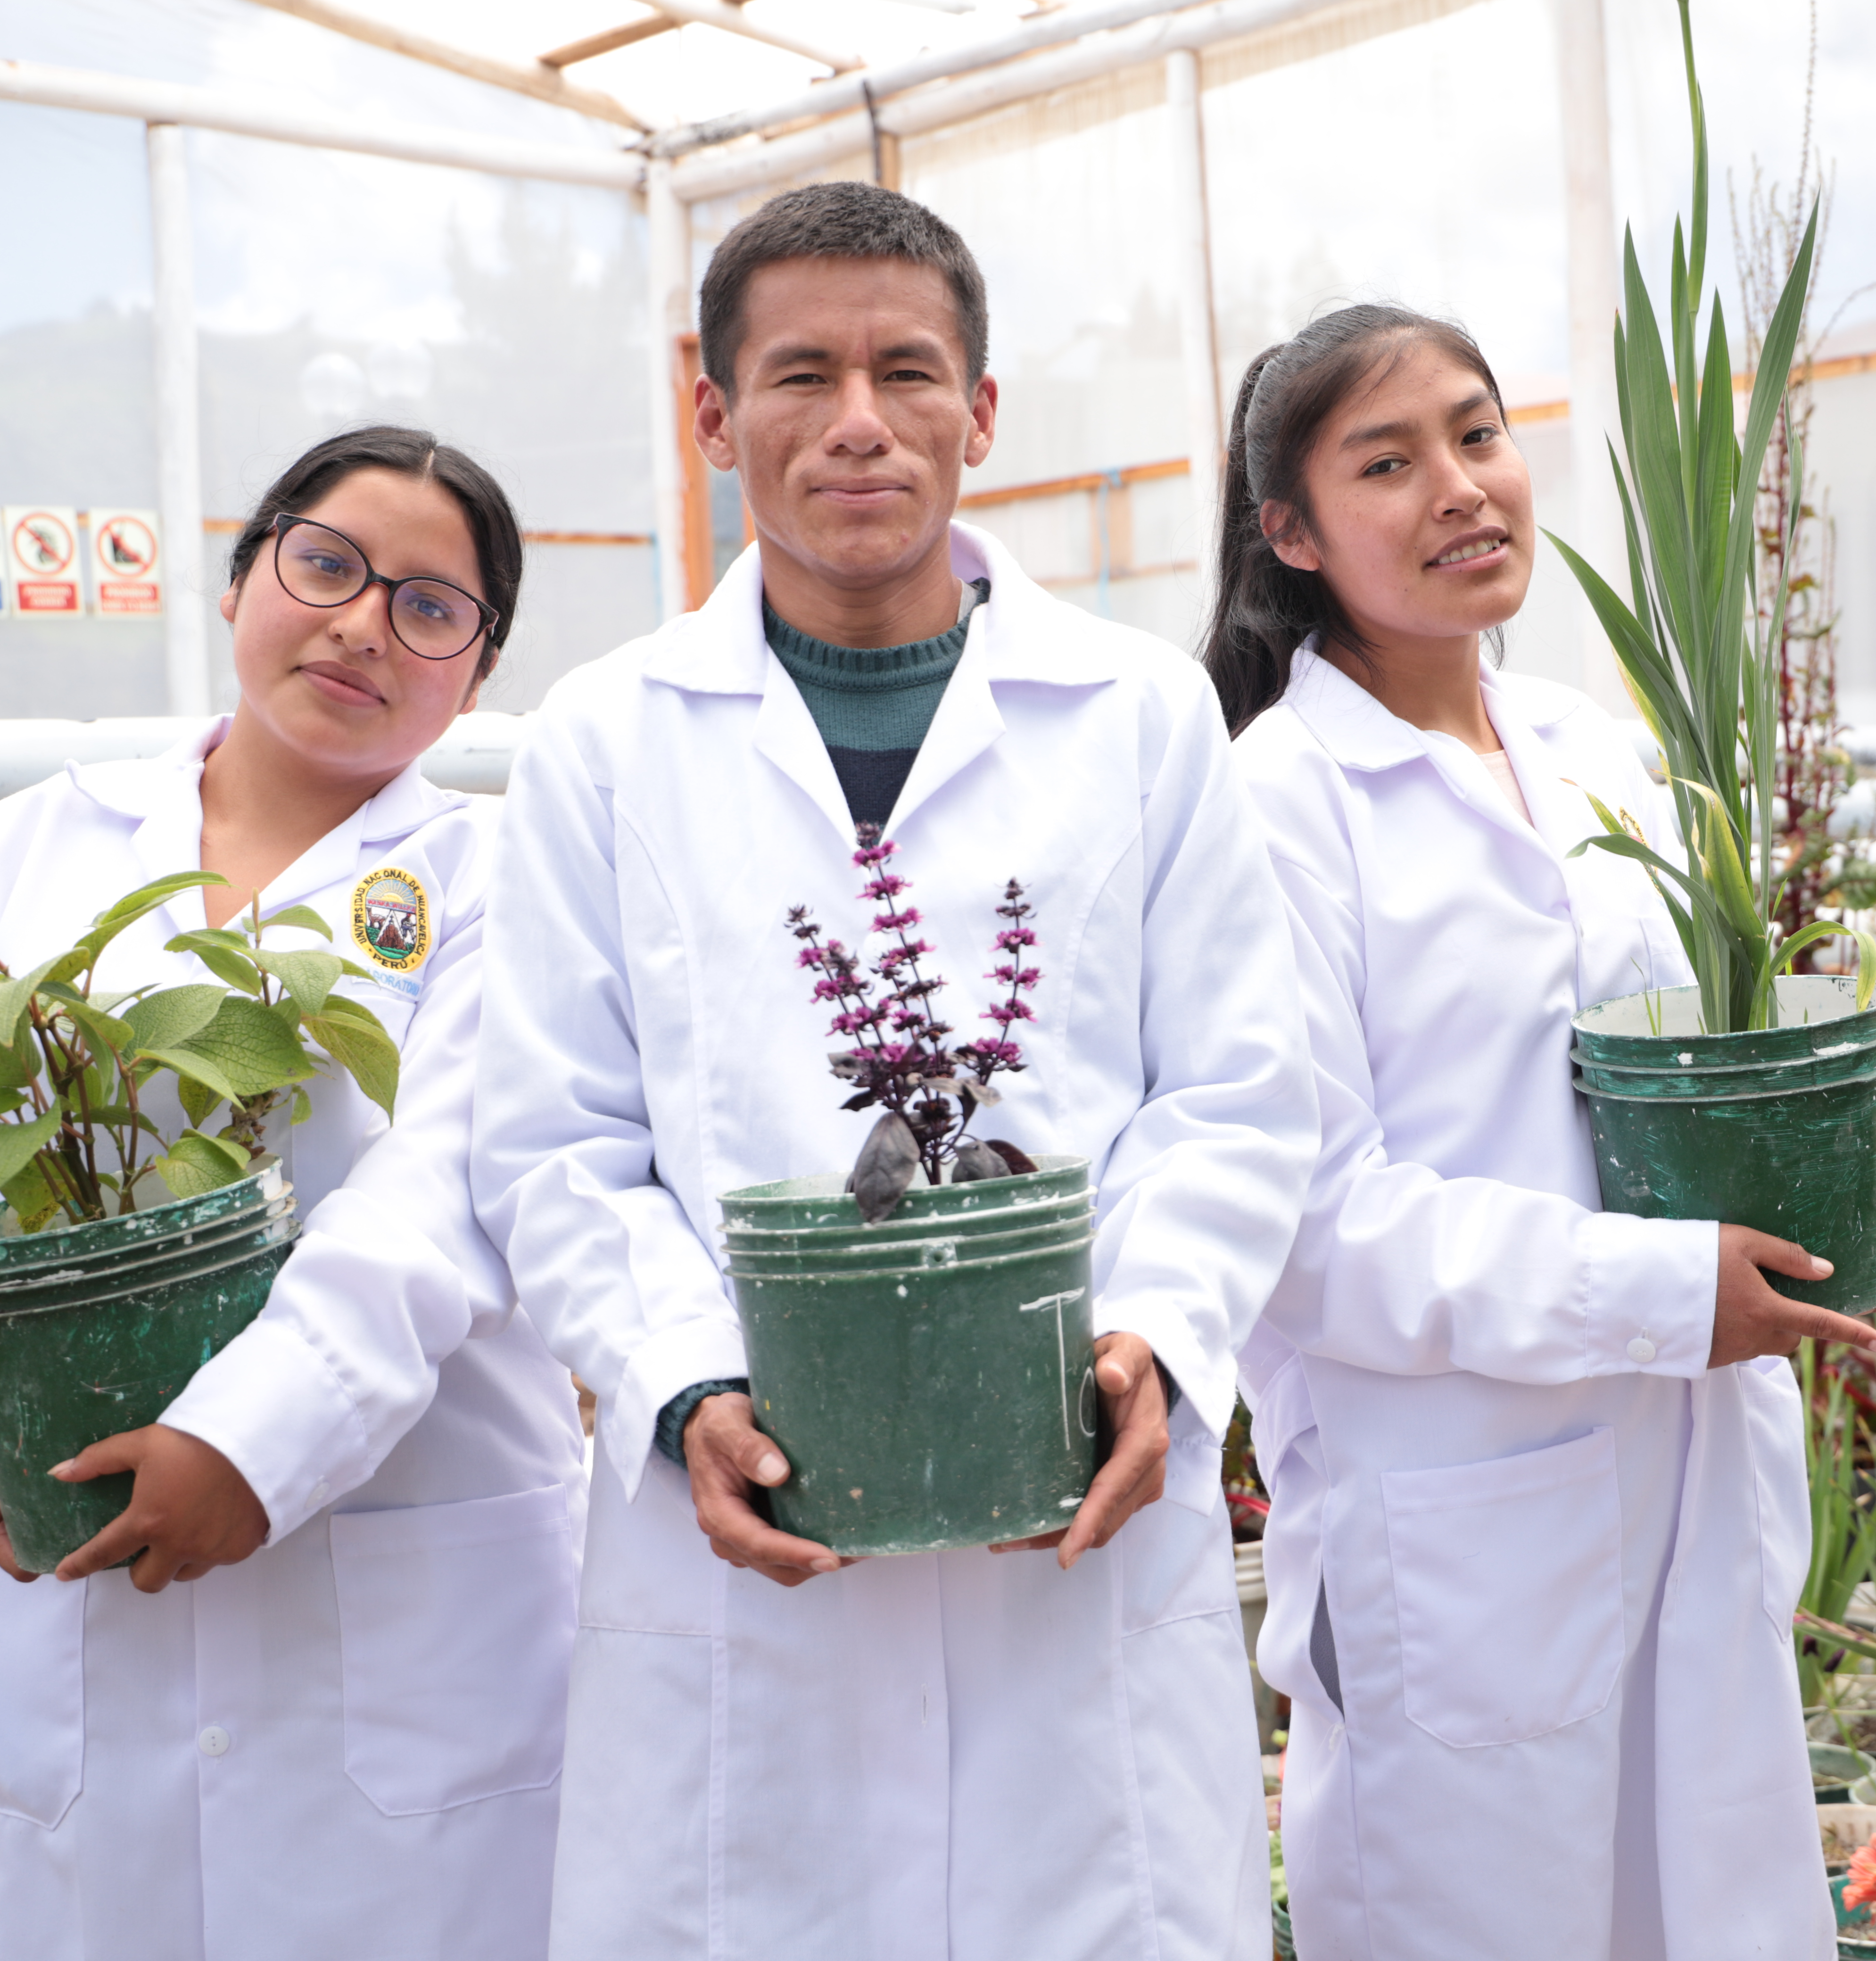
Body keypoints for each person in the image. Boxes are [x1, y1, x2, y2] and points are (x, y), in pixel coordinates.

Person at [469, 181, 1313, 1960]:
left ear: (980, 413)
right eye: (800, 375)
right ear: (714, 418)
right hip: (758, 1546)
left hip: (1069, 1522)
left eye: (908, 371)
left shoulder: (1141, 714)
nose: (859, 421)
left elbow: (1232, 1089)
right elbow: (556, 1139)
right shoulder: (600, 746)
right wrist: (689, 1387)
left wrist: (1153, 1334)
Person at [1204, 306, 1876, 1959]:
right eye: (1386, 463)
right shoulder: (1273, 805)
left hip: (1686, 1479)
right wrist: (1665, 1291)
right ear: (1294, 533)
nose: (1461, 488)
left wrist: (1851, 1167)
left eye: (1479, 435)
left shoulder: (1595, 755)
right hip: (1455, 1530)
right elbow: (1314, 1229)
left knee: (1714, 1913)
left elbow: (1682, 1086)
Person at [0, 428, 584, 1961]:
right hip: (65, 1560)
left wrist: (245, 1444)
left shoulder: (508, 881)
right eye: (330, 565)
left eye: (433, 606)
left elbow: (439, 1206)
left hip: (411, 1581)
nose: (365, 624)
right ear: (244, 578)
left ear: (474, 676)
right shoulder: (19, 856)